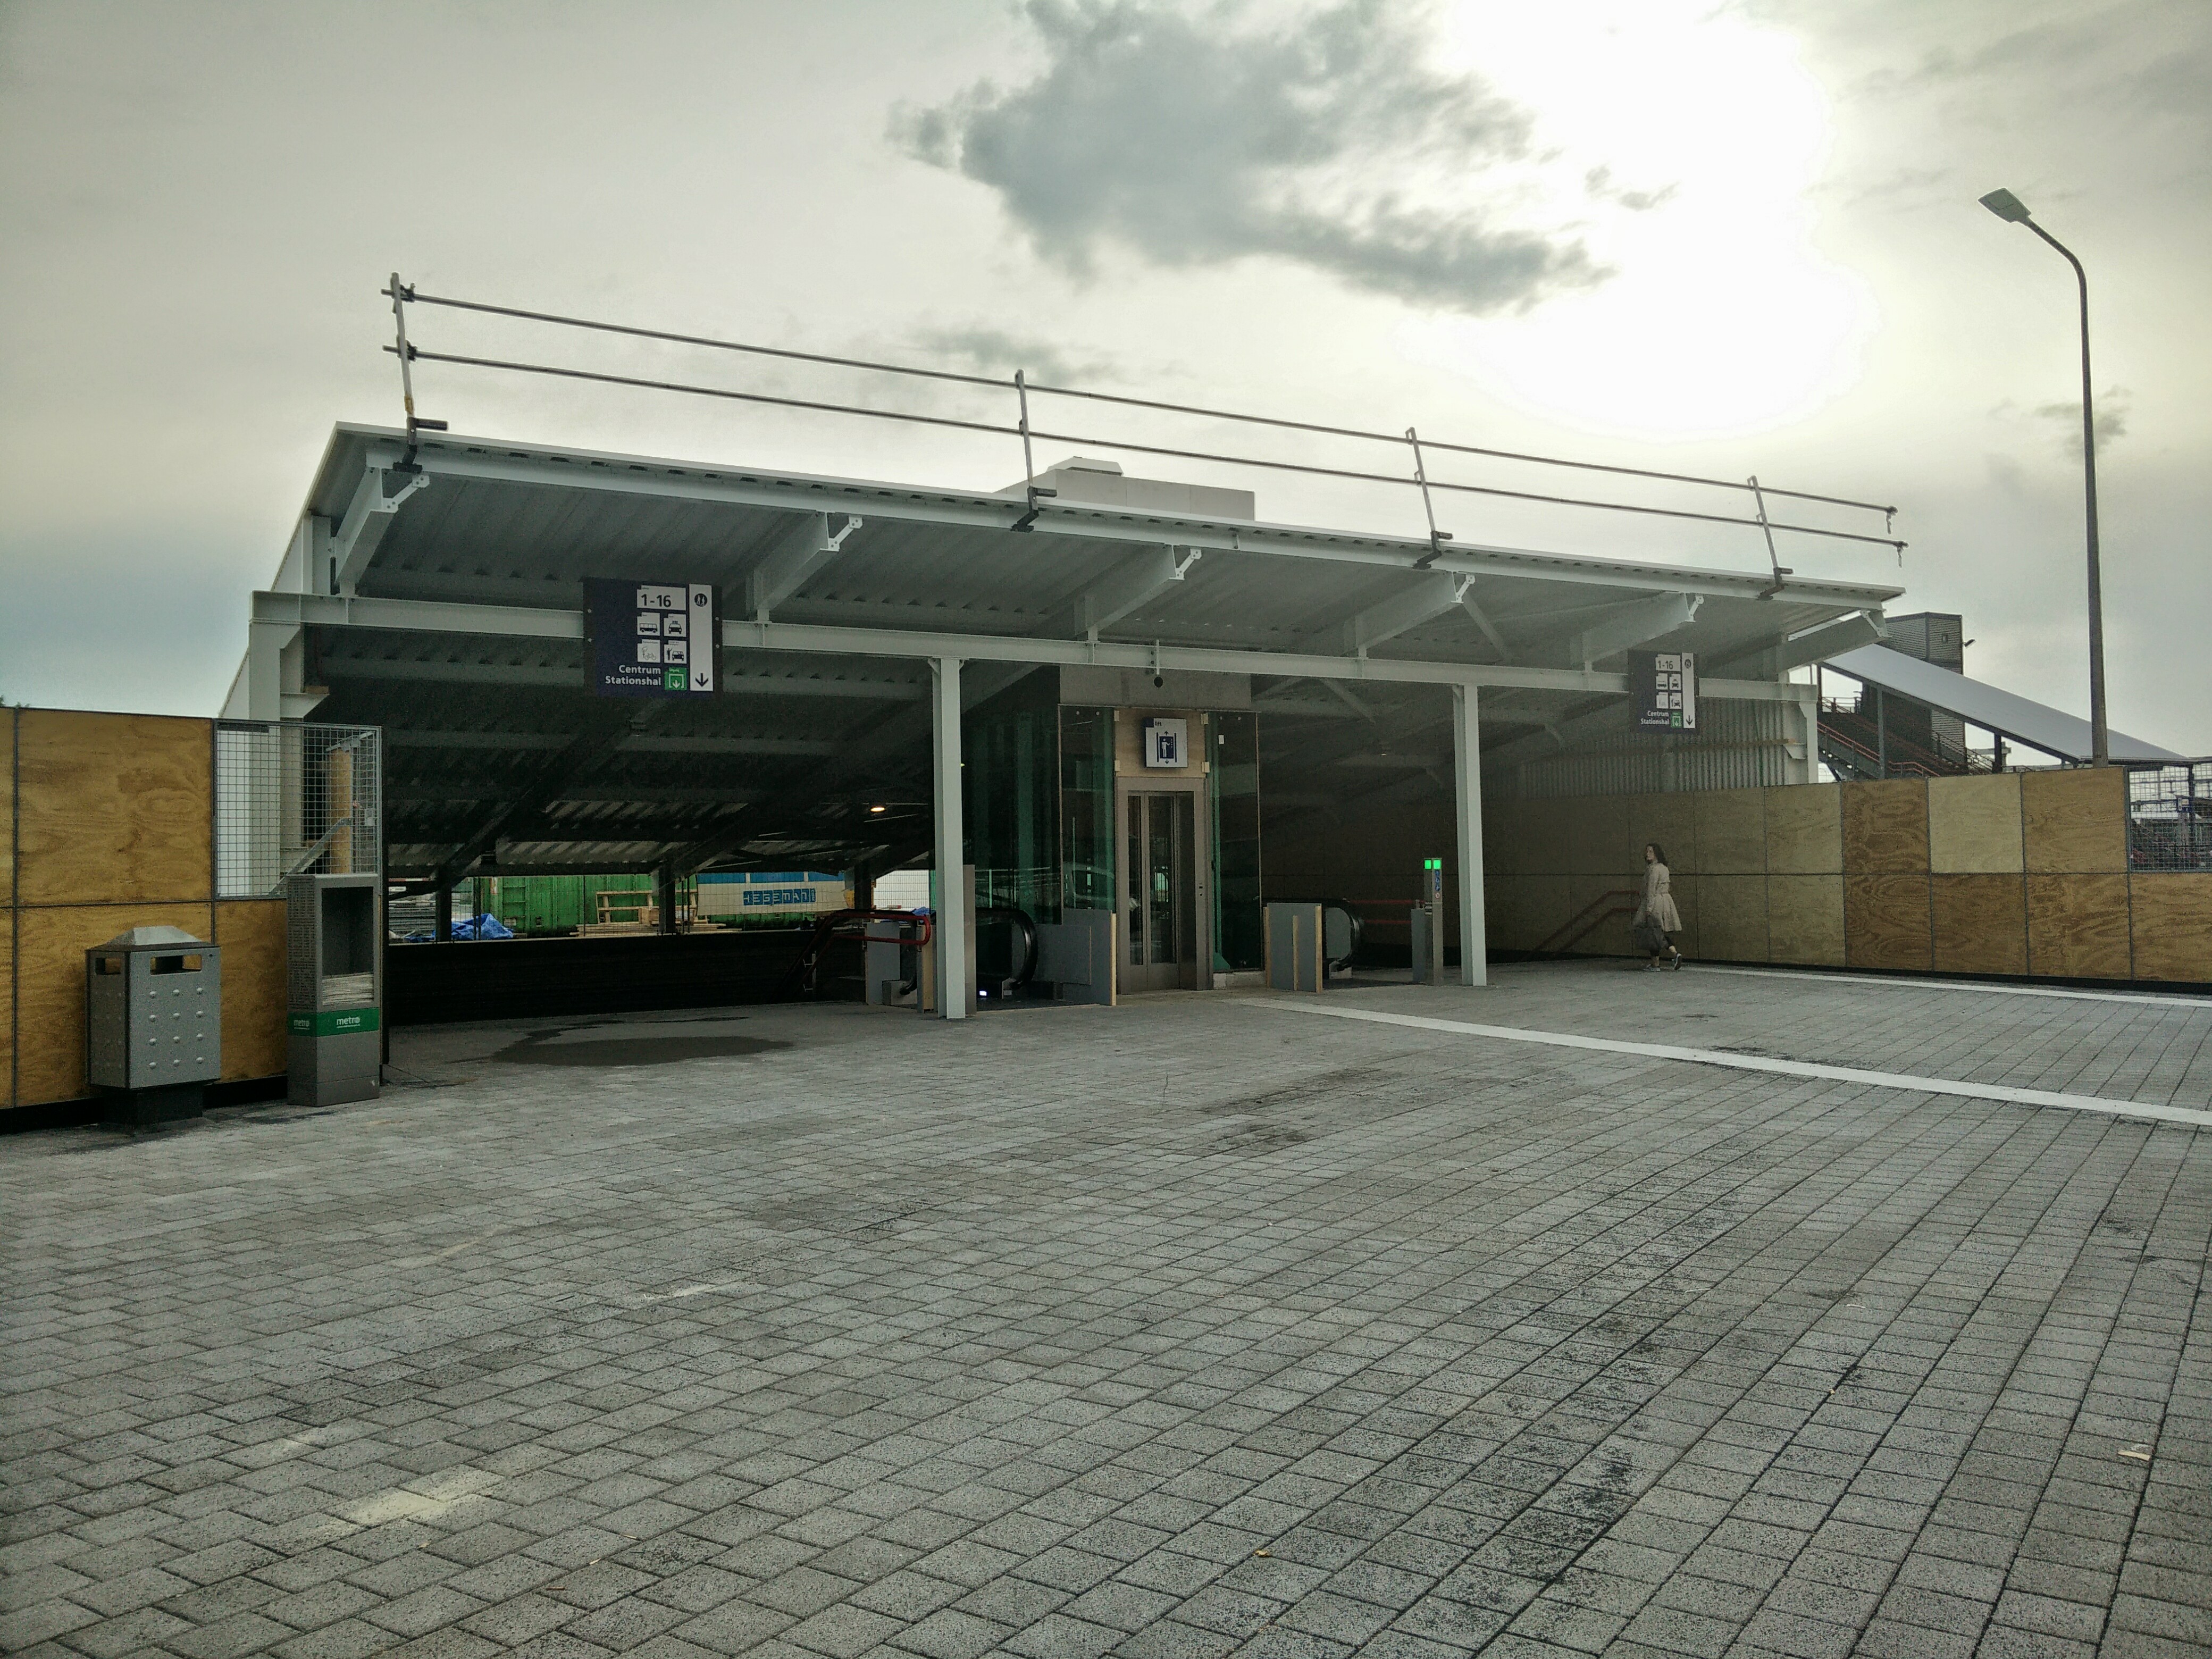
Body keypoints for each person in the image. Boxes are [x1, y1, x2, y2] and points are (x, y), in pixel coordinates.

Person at [1634, 842, 1684, 970]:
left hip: (1655, 902)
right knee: (1657, 932)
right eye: (1647, 851)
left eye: (1651, 851)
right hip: (1665, 902)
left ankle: (1668, 957)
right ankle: (1664, 959)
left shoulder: (1653, 870)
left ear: (1656, 853)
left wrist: (1648, 909)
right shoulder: (1664, 868)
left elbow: (1651, 890)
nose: (1647, 854)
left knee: (1653, 932)